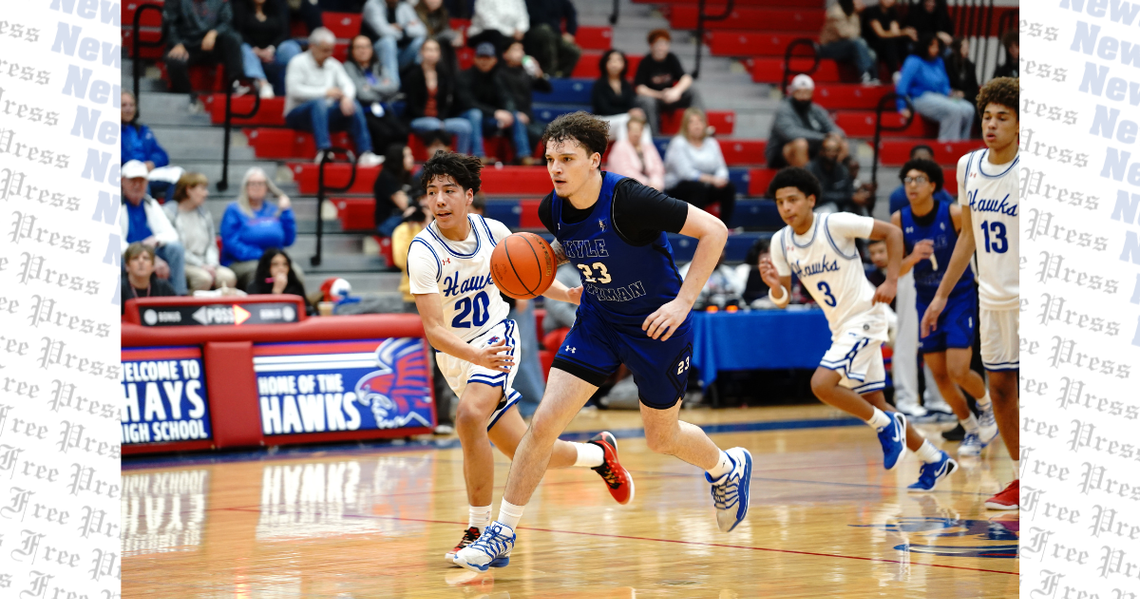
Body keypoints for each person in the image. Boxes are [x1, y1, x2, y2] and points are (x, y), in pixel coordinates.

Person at [455, 112, 752, 572]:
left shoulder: (630, 199)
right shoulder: (551, 208)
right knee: (544, 423)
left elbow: (713, 231)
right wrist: (543, 263)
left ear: (595, 161)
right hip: (598, 322)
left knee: (661, 437)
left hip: (658, 328)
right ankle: (503, 532)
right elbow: (569, 244)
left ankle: (725, 469)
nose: (555, 168)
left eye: (567, 159)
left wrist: (683, 303)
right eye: (550, 159)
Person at [406, 151, 630, 564]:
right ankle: (600, 455)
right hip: (460, 354)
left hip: (497, 336)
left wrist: (565, 293)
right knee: (525, 450)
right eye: (432, 192)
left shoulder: (493, 231)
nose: (439, 200)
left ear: (468, 195)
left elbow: (526, 274)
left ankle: (480, 530)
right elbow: (434, 331)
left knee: (470, 417)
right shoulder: (422, 251)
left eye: (449, 191)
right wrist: (473, 355)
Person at [757, 167, 957, 493]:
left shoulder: (834, 223)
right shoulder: (781, 241)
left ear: (811, 200)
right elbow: (781, 300)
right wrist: (774, 286)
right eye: (780, 202)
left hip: (866, 316)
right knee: (876, 400)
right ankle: (934, 459)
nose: (786, 208)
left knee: (822, 384)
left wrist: (892, 280)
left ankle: (886, 426)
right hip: (841, 327)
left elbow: (893, 234)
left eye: (792, 200)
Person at [921, 77, 1020, 510]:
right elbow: (968, 238)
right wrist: (941, 296)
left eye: (1002, 117)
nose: (992, 124)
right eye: (987, 116)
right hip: (990, 296)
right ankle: (1021, 479)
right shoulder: (968, 166)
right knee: (999, 389)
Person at [892, 159, 997, 455]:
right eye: (907, 180)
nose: (912, 185)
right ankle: (972, 430)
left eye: (919, 179)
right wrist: (912, 258)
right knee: (939, 376)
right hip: (925, 300)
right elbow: (895, 270)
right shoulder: (899, 220)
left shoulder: (951, 213)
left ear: (933, 185)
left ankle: (987, 407)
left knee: (958, 369)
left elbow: (976, 244)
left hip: (959, 295)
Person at [284, 28, 384, 166]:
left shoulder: (333, 64)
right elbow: (294, 90)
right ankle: (323, 150)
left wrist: (346, 98)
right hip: (297, 114)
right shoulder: (297, 62)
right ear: (312, 46)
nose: (329, 54)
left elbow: (349, 86)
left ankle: (365, 153)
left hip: (325, 114)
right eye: (325, 50)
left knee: (353, 104)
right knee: (319, 103)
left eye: (331, 50)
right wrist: (325, 92)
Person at [220, 167, 301, 288]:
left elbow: (288, 240)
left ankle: (295, 306)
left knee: (296, 273)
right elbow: (231, 243)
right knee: (258, 273)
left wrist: (287, 212)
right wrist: (264, 257)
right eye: (252, 183)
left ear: (267, 187)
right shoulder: (234, 209)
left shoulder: (273, 210)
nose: (256, 187)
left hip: (273, 261)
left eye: (260, 183)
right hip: (242, 261)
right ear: (245, 186)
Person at [120, 160, 187, 296]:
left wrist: (155, 240)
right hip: (127, 255)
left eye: (141, 181)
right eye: (133, 181)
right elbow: (116, 245)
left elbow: (172, 234)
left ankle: (179, 298)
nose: (137, 185)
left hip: (151, 253)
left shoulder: (151, 203)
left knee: (176, 248)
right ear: (122, 182)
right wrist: (149, 259)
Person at [163, 172, 239, 292]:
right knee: (203, 279)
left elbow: (211, 244)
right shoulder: (170, 213)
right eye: (202, 189)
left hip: (206, 262)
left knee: (228, 277)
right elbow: (177, 248)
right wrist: (201, 265)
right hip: (183, 263)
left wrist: (212, 264)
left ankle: (218, 309)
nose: (206, 193)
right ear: (188, 190)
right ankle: (188, 308)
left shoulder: (204, 214)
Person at [457, 42, 530, 161]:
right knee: (475, 113)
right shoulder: (464, 77)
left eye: (488, 58)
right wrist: (495, 113)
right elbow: (468, 103)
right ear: (474, 59)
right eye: (481, 57)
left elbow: (506, 97)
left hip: (489, 119)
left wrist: (510, 112)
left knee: (516, 115)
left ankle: (524, 156)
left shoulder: (497, 77)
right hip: (466, 117)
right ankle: (478, 155)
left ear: (494, 60)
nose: (484, 61)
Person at [897, 33, 975, 142]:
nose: (936, 49)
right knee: (954, 110)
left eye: (937, 46)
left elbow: (944, 84)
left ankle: (962, 145)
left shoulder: (938, 61)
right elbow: (902, 85)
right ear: (925, 46)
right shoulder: (913, 61)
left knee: (969, 109)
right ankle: (948, 147)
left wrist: (951, 93)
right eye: (932, 46)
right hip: (920, 97)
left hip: (940, 96)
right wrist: (901, 107)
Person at [664, 108, 736, 226]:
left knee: (728, 187)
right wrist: (712, 180)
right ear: (686, 125)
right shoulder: (678, 142)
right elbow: (685, 173)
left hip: (705, 185)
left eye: (699, 121)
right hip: (678, 186)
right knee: (698, 188)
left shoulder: (711, 142)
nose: (696, 125)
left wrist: (721, 179)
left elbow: (721, 167)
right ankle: (696, 227)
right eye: (692, 122)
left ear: (705, 124)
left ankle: (724, 227)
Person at [403, 38, 474, 155]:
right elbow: (411, 105)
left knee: (465, 126)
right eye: (428, 50)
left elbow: (447, 103)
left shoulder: (444, 74)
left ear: (439, 54)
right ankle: (436, 162)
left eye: (435, 50)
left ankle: (461, 162)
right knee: (433, 124)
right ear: (421, 52)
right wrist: (432, 119)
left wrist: (441, 118)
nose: (431, 53)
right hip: (418, 119)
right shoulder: (413, 74)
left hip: (440, 119)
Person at [163, 0, 244, 99]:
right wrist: (177, 44)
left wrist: (214, 32)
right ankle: (188, 97)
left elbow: (227, 21)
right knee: (174, 60)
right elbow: (170, 24)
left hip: (211, 46)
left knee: (233, 38)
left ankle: (234, 83)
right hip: (186, 45)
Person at [766, 75, 848, 169]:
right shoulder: (784, 109)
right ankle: (806, 182)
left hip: (811, 147)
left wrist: (835, 135)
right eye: (799, 92)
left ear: (812, 93)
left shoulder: (816, 110)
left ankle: (833, 179)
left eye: (806, 93)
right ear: (792, 93)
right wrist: (824, 137)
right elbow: (791, 134)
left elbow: (832, 127)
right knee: (800, 144)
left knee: (842, 143)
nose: (803, 97)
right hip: (781, 152)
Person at [344, 35, 409, 152]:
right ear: (352, 50)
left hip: (384, 109)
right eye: (359, 47)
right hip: (365, 111)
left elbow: (393, 87)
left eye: (366, 47)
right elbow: (362, 94)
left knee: (402, 131)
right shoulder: (348, 67)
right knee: (384, 133)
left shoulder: (378, 66)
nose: (363, 50)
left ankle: (398, 162)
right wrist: (382, 89)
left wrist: (370, 87)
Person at [633, 29, 699, 137]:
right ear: (651, 45)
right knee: (647, 101)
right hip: (655, 99)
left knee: (693, 91)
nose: (661, 48)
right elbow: (640, 88)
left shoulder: (672, 58)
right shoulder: (645, 62)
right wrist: (660, 95)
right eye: (658, 44)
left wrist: (676, 91)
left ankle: (700, 127)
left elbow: (687, 78)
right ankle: (654, 137)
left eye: (665, 44)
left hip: (671, 97)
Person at [235, 0, 303, 98]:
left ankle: (297, 84)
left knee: (291, 47)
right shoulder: (240, 6)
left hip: (274, 50)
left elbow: (285, 33)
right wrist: (256, 50)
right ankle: (263, 85)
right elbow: (238, 32)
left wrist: (271, 49)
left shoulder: (278, 5)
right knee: (242, 48)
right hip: (251, 49)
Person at [499, 40, 552, 163]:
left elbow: (547, 89)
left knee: (554, 129)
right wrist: (514, 113)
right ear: (505, 54)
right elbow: (504, 97)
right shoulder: (500, 73)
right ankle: (523, 157)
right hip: (510, 118)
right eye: (515, 50)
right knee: (519, 121)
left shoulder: (525, 73)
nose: (520, 53)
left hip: (528, 117)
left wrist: (539, 74)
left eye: (521, 50)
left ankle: (547, 161)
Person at [362, 0, 427, 89]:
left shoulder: (404, 5)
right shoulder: (373, 4)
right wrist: (406, 30)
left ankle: (419, 85)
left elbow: (422, 31)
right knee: (388, 41)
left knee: (420, 41)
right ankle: (393, 86)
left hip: (400, 54)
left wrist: (403, 30)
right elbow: (383, 31)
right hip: (375, 54)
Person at [818, 0, 878, 85]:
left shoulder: (851, 12)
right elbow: (846, 34)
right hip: (829, 47)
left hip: (847, 46)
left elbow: (856, 33)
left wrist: (856, 14)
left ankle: (873, 76)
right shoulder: (836, 12)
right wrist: (856, 15)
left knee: (871, 53)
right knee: (858, 43)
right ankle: (865, 74)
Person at [807, 135, 868, 215]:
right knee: (831, 208)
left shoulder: (842, 169)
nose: (832, 154)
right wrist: (849, 197)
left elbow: (849, 189)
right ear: (821, 151)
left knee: (858, 208)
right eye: (828, 150)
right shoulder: (811, 169)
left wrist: (859, 194)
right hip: (819, 207)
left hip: (841, 206)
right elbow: (821, 195)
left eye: (835, 150)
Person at [392, 197, 433, 312]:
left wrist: (428, 228)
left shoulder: (437, 230)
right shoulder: (401, 231)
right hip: (411, 296)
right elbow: (402, 261)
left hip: (438, 295)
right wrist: (410, 229)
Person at [245, 249, 315, 314]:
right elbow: (258, 314)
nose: (281, 268)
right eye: (275, 264)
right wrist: (276, 292)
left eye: (285, 264)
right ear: (266, 267)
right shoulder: (255, 286)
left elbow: (306, 311)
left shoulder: (295, 285)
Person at [888, 145, 953, 214]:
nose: (922, 165)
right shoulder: (897, 197)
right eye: (919, 160)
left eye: (926, 160)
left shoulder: (943, 196)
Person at [607, 113, 665, 191]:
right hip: (626, 189)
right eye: (633, 130)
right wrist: (648, 183)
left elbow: (658, 167)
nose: (636, 133)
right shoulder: (620, 146)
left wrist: (656, 182)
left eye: (638, 130)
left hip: (650, 188)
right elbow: (625, 172)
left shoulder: (648, 146)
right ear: (628, 131)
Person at [523, 0, 580, 78]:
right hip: (533, 33)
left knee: (574, 51)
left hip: (555, 34)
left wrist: (570, 32)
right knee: (546, 32)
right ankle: (549, 74)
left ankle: (560, 76)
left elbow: (571, 13)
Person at [122, 243, 178, 315]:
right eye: (135, 258)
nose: (141, 261)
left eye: (146, 258)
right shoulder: (118, 290)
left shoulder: (164, 287)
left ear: (153, 267)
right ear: (127, 266)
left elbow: (177, 312)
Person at [374, 143, 417, 237]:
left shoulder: (407, 176)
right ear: (398, 158)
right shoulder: (386, 177)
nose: (412, 158)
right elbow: (404, 205)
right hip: (388, 222)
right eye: (407, 155)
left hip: (403, 217)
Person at [861, 0, 907, 77]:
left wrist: (901, 33)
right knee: (889, 42)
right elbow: (881, 34)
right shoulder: (871, 11)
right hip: (871, 44)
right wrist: (903, 32)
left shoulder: (892, 12)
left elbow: (895, 32)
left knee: (902, 42)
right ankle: (895, 73)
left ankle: (907, 72)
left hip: (886, 45)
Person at [946, 38, 980, 116]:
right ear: (956, 49)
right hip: (950, 95)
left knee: (976, 107)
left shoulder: (970, 66)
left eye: (968, 48)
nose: (967, 51)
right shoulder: (947, 63)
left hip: (966, 97)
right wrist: (954, 92)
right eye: (964, 48)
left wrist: (964, 94)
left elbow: (974, 88)